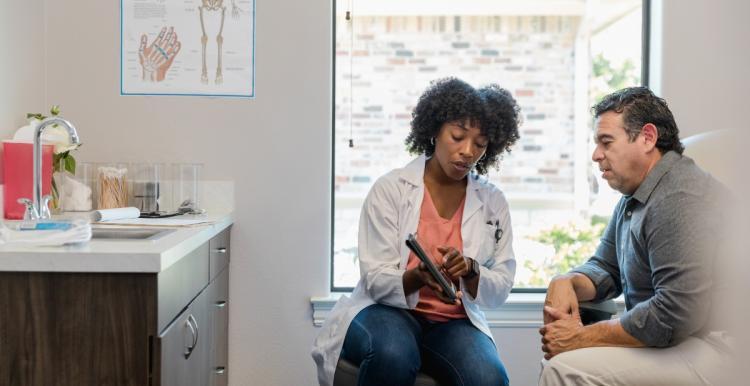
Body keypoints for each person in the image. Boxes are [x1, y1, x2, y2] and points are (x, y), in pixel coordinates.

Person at [312, 78, 521, 386]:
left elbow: (501, 286)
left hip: (453, 322)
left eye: (480, 144)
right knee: (393, 354)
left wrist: (472, 270)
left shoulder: (492, 201)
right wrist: (417, 276)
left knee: (489, 377)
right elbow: (375, 278)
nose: (468, 152)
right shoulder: (391, 189)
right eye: (458, 136)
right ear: (434, 131)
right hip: (386, 311)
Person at [539, 87, 733, 385]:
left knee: (565, 368)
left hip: (720, 347)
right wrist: (567, 280)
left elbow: (674, 314)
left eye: (606, 142)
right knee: (562, 357)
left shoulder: (679, 197)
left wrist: (581, 337)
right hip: (684, 339)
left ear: (647, 138)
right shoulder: (636, 195)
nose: (596, 155)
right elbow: (607, 267)